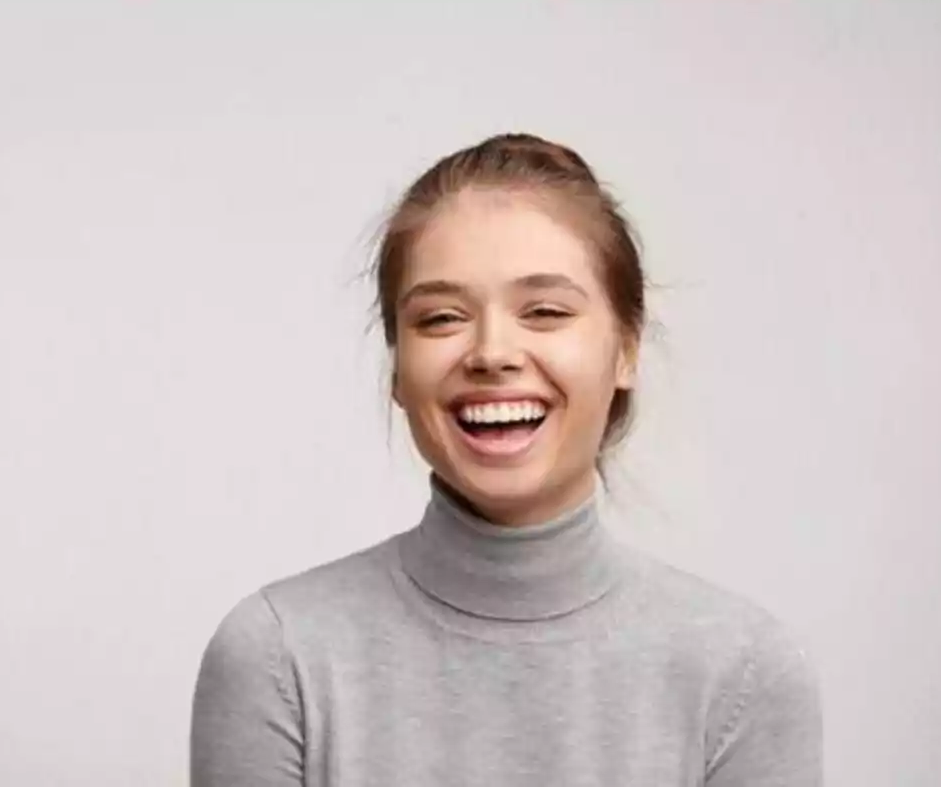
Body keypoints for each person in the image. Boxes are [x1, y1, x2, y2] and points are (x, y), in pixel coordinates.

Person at [190, 133, 823, 786]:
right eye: (440, 318)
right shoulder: (280, 655)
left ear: (626, 350)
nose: (492, 352)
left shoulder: (743, 673)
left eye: (545, 311)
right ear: (398, 371)